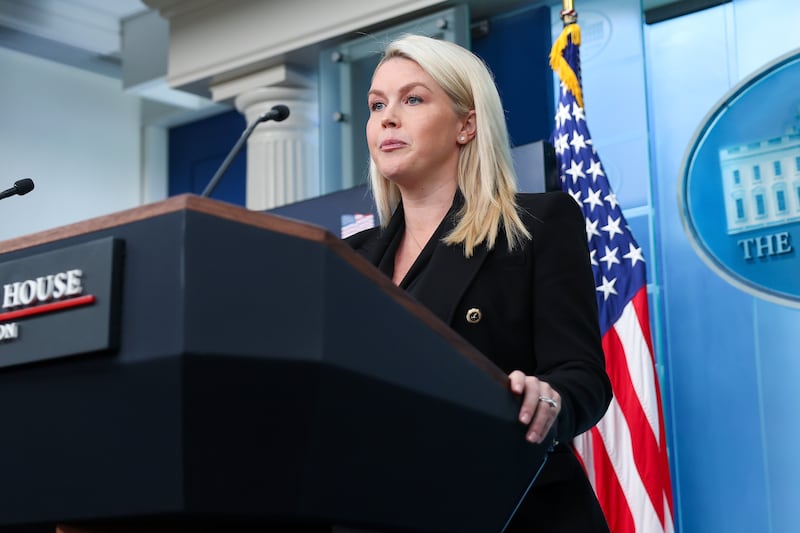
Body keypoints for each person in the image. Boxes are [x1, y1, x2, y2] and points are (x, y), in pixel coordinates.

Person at [345, 34, 612, 532]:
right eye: (377, 104)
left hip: (516, 512)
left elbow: (582, 376)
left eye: (413, 99)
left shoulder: (538, 223)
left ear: (467, 124)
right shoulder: (352, 259)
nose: (387, 117)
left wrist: (549, 399)